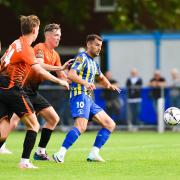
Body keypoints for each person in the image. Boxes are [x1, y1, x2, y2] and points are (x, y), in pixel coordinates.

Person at [0, 15, 69, 169]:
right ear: (35, 30)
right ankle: (25, 162)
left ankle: (37, 153)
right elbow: (38, 68)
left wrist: (64, 75)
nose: (59, 38)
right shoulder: (28, 48)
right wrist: (59, 81)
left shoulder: (15, 43)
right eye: (38, 29)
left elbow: (3, 61)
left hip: (4, 88)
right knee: (33, 125)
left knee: (3, 130)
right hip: (14, 89)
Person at [53, 34, 120, 163]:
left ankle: (94, 154)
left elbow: (101, 77)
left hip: (88, 99)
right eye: (96, 45)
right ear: (89, 45)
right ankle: (60, 153)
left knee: (109, 124)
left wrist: (110, 85)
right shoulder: (81, 58)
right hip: (79, 96)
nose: (99, 48)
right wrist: (85, 83)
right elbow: (71, 74)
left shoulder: (94, 64)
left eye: (100, 46)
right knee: (81, 126)